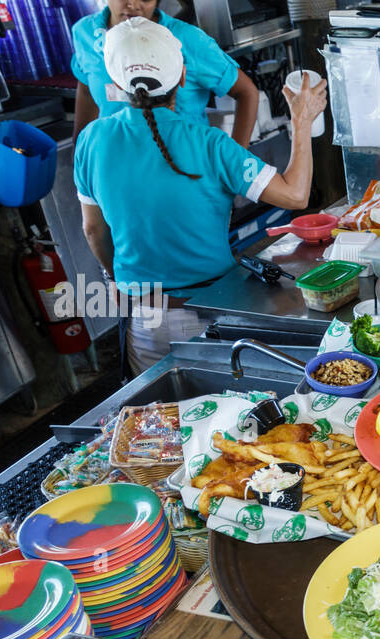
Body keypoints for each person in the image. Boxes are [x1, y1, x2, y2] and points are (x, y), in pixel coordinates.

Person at [75, 16, 326, 374]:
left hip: (145, 319)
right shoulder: (210, 144)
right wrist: (301, 120)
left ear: (114, 83)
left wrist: (113, 276)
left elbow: (93, 231)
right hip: (216, 315)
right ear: (181, 77)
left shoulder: (91, 141)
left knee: (160, 422)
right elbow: (297, 195)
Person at [71, 0, 259, 146]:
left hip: (189, 164)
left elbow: (246, 92)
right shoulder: (85, 33)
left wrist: (236, 162)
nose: (133, 4)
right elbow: (87, 88)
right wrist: (79, 147)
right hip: (121, 168)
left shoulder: (187, 39)